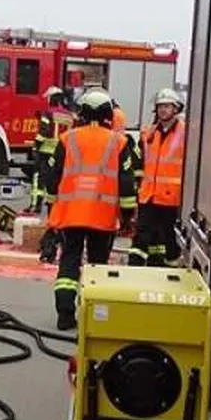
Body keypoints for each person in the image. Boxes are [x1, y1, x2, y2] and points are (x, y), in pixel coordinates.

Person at [46, 88, 137, 330]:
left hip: (70, 215)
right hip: (102, 216)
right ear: (108, 113)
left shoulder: (68, 139)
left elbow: (52, 179)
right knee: (98, 266)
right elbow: (127, 183)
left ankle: (65, 315)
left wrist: (51, 214)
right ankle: (96, 318)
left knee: (69, 262)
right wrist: (128, 217)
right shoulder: (119, 142)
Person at [133, 88, 186, 267]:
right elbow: (141, 163)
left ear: (176, 109)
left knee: (166, 236)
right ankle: (135, 267)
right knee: (142, 233)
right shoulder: (150, 134)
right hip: (149, 194)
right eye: (160, 106)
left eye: (167, 106)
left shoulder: (185, 134)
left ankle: (167, 265)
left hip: (171, 198)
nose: (163, 110)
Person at [31, 86, 73, 215]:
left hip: (46, 152)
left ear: (52, 99)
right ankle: (58, 206)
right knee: (59, 180)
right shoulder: (69, 115)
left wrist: (35, 147)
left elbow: (43, 132)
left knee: (39, 178)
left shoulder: (48, 113)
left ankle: (36, 205)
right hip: (63, 153)